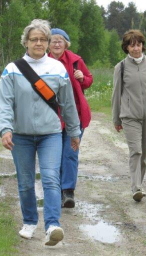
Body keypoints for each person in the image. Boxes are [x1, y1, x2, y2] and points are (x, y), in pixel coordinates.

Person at [0, 19, 81, 245]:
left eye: (44, 39)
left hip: (50, 134)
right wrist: (5, 129)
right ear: (26, 42)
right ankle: (30, 221)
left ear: (49, 42)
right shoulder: (12, 70)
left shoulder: (58, 69)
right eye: (34, 39)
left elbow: (68, 104)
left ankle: (52, 225)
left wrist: (73, 132)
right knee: (25, 181)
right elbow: (4, 103)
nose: (39, 43)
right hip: (21, 136)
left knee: (51, 178)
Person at [111, 29, 146, 202]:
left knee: (144, 153)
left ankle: (139, 184)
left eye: (138, 44)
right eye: (132, 45)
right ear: (126, 48)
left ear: (143, 45)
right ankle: (136, 188)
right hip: (130, 116)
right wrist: (116, 118)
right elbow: (116, 94)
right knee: (136, 151)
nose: (136, 48)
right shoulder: (121, 67)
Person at [48, 28, 93, 209]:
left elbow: (89, 81)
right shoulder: (43, 62)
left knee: (70, 153)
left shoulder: (76, 61)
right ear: (48, 45)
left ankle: (68, 191)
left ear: (66, 44)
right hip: (51, 116)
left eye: (60, 40)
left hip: (75, 116)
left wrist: (82, 78)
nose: (57, 43)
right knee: (54, 154)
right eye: (53, 40)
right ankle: (57, 189)